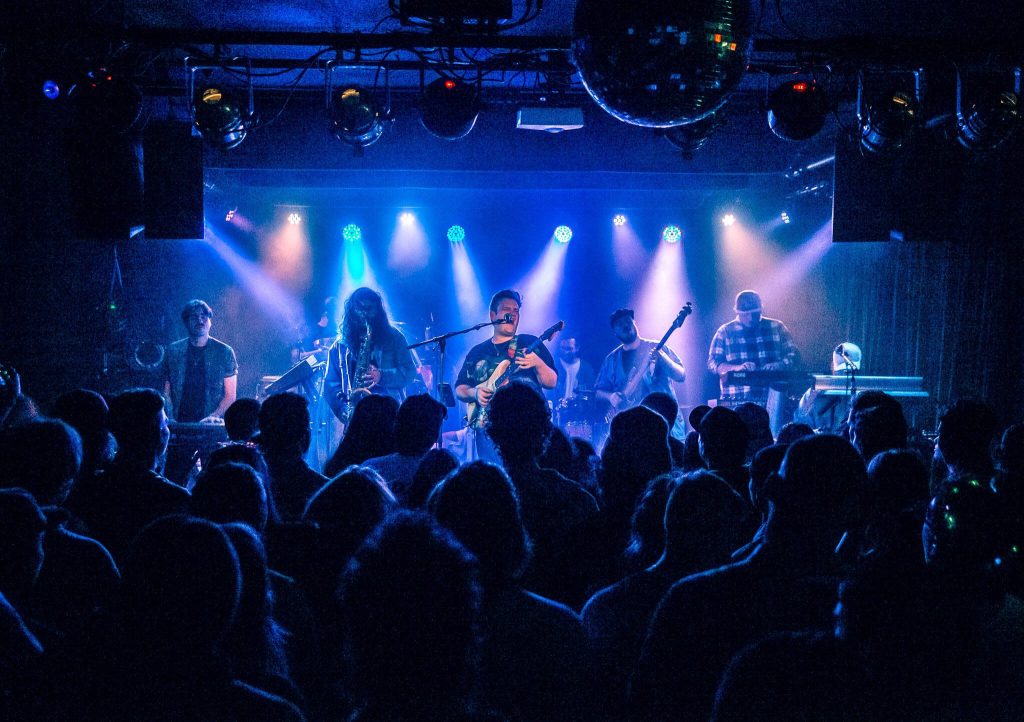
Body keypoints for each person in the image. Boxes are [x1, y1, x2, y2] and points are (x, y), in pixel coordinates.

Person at [455, 289, 559, 425]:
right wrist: (474, 393)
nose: (512, 314)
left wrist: (538, 363)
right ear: (493, 315)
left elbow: (552, 382)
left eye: (516, 310)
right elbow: (460, 388)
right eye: (506, 309)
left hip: (529, 422)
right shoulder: (477, 351)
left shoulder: (529, 342)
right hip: (489, 425)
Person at [323, 287, 419, 424]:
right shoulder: (340, 346)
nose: (365, 314)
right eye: (360, 309)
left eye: (369, 309)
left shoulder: (395, 338)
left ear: (378, 310)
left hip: (389, 414)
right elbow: (330, 384)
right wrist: (342, 410)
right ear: (352, 311)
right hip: (355, 416)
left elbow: (409, 372)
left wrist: (381, 376)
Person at [707, 290, 799, 407]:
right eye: (745, 314)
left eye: (755, 314)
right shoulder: (724, 332)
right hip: (736, 401)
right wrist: (737, 368)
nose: (750, 318)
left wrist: (780, 365)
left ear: (761, 310)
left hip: (773, 399)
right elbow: (713, 363)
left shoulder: (777, 327)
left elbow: (794, 356)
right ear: (737, 312)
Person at [595, 308, 686, 421]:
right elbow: (598, 392)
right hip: (632, 423)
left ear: (634, 323)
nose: (625, 325)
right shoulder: (611, 360)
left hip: (665, 419)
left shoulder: (657, 347)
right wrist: (611, 397)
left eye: (628, 321)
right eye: (620, 324)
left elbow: (681, 375)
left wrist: (664, 358)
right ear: (615, 332)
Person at [162, 299, 238, 423]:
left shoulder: (224, 352)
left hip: (211, 424)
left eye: (204, 316)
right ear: (186, 322)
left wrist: (214, 416)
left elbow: (230, 395)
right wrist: (170, 418)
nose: (200, 320)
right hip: (178, 422)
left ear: (210, 321)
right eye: (194, 317)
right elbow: (166, 391)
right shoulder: (173, 351)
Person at [795, 341, 863, 434]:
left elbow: (801, 421)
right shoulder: (813, 393)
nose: (845, 376)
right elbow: (801, 422)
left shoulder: (863, 395)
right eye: (841, 372)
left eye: (849, 372)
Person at [550, 335, 596, 411]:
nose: (565, 352)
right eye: (563, 348)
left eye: (569, 348)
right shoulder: (553, 365)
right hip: (556, 411)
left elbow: (591, 393)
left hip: (579, 411)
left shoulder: (587, 369)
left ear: (577, 348)